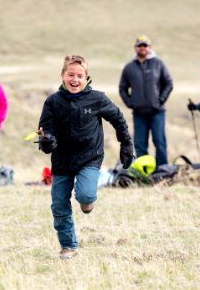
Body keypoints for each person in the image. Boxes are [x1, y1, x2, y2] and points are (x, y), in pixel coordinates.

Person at [38, 55, 134, 259]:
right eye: (70, 74)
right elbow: (46, 130)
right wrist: (48, 142)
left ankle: (87, 201)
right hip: (62, 160)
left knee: (86, 195)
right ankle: (68, 246)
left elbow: (118, 118)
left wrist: (126, 143)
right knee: (59, 204)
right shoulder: (53, 102)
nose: (75, 79)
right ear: (62, 75)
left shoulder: (97, 98)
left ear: (87, 78)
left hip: (89, 157)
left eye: (80, 75)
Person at [119, 35, 173, 166]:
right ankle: (144, 172)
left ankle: (162, 171)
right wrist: (130, 103)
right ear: (135, 48)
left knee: (159, 142)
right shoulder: (129, 67)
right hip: (139, 113)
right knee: (140, 144)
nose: (142, 48)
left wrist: (160, 100)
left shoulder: (158, 64)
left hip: (157, 112)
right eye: (140, 45)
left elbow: (169, 83)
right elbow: (122, 88)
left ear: (149, 48)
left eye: (145, 45)